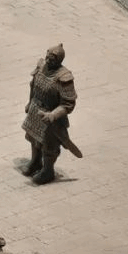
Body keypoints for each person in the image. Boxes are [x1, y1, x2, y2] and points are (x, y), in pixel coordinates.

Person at [22, 43, 79, 185]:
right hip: (36, 111)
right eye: (47, 57)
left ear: (59, 61)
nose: (48, 61)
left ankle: (48, 171)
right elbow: (33, 86)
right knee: (34, 138)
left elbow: (68, 104)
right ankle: (36, 162)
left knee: (49, 145)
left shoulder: (64, 77)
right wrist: (30, 102)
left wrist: (53, 115)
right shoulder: (41, 66)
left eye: (52, 60)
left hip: (52, 119)